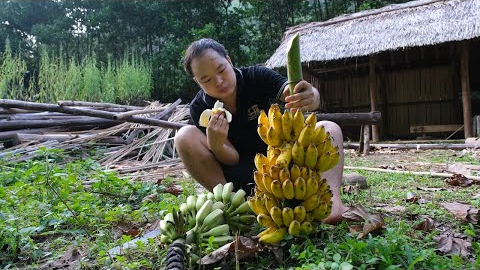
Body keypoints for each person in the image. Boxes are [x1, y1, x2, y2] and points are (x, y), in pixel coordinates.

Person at [174, 38, 347, 224]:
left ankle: (331, 206)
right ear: (197, 82)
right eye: (206, 80)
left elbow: (296, 95)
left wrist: (311, 95)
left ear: (229, 61)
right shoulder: (200, 107)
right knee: (184, 136)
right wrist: (216, 145)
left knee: (330, 128)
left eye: (221, 70)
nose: (219, 81)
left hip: (284, 161)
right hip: (242, 176)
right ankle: (233, 208)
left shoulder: (256, 76)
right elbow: (232, 158)